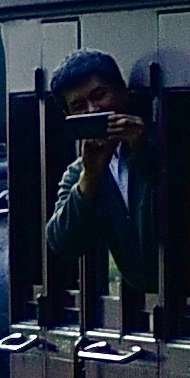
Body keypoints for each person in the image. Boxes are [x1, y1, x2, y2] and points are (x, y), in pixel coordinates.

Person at [40, 53, 154, 321]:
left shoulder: (163, 143)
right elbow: (62, 242)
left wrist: (140, 147)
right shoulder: (80, 171)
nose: (93, 110)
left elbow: (180, 192)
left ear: (122, 92)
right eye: (79, 106)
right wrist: (90, 176)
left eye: (99, 95)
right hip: (144, 307)